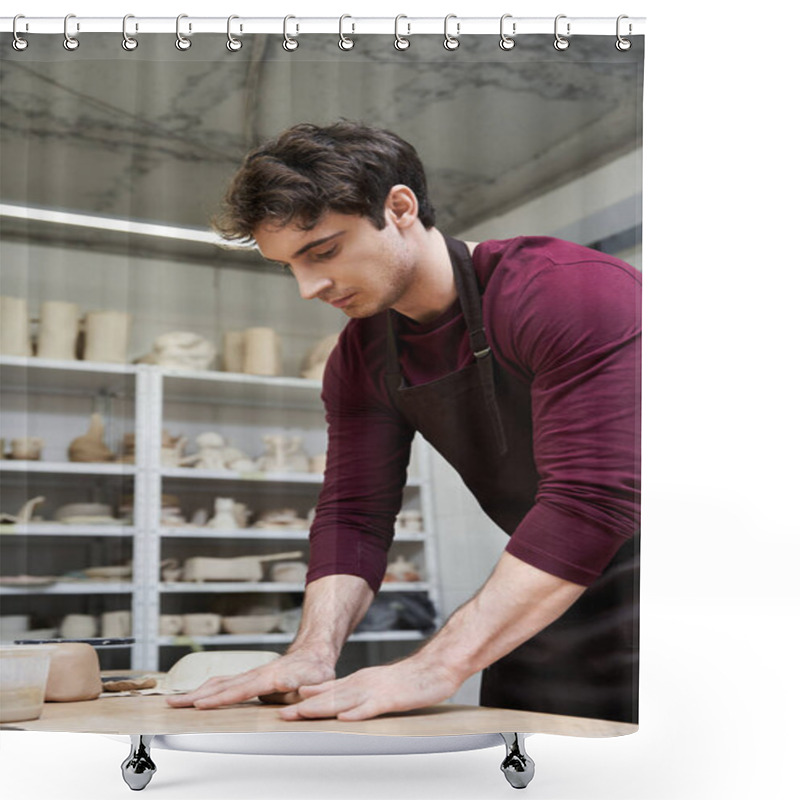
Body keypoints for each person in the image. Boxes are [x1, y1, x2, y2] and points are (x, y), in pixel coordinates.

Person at [168, 121, 641, 724]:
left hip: (682, 593)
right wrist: (313, 650)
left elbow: (591, 500)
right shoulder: (360, 358)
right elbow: (353, 514)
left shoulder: (566, 293)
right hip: (542, 604)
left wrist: (437, 663)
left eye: (324, 251)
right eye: (289, 265)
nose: (308, 287)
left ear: (398, 207)